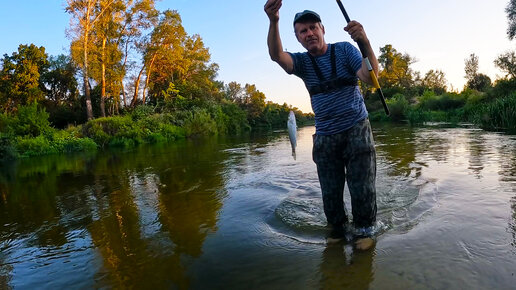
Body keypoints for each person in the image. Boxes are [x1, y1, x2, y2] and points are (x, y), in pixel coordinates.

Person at [264, 0, 378, 250]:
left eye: (313, 27)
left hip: (357, 127)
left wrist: (365, 42)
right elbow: (276, 56)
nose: (309, 33)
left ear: (323, 29)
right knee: (330, 191)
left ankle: (365, 230)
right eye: (303, 31)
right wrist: (274, 21)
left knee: (362, 186)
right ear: (298, 38)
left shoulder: (346, 51)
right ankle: (337, 229)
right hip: (325, 136)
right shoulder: (302, 63)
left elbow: (371, 79)